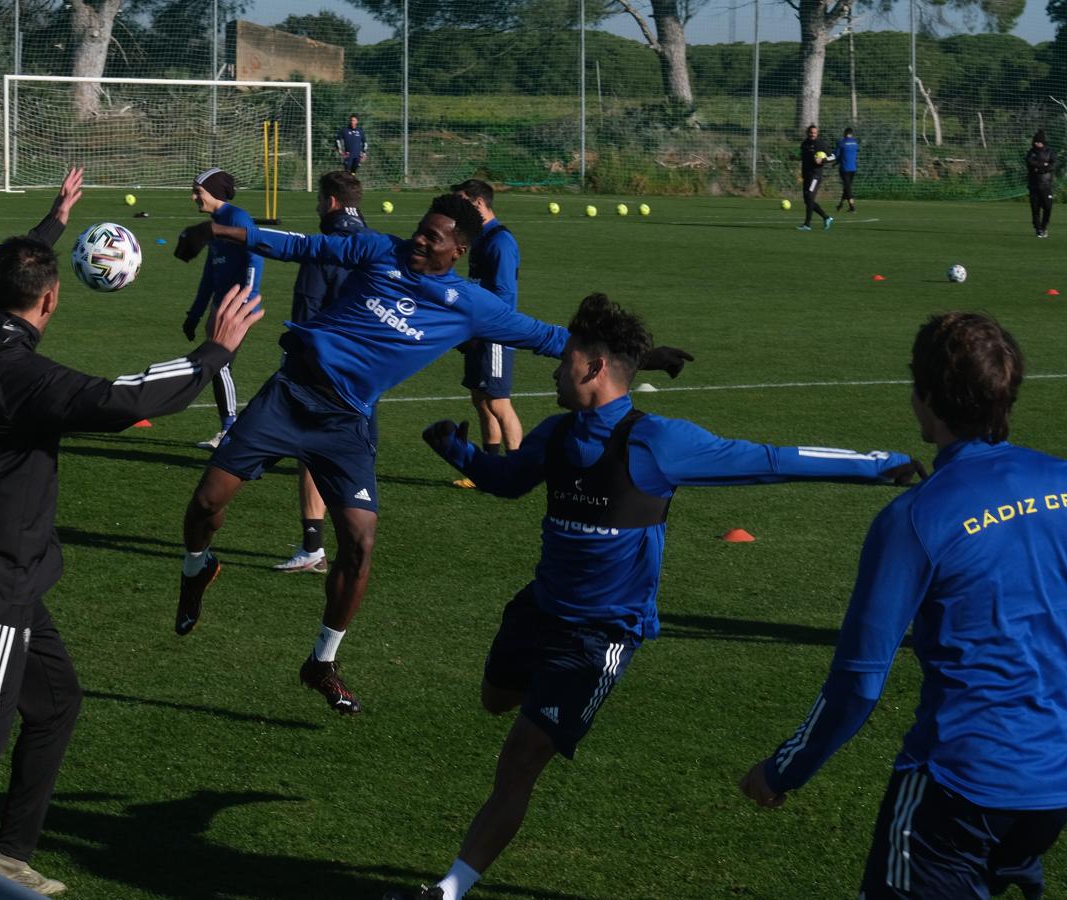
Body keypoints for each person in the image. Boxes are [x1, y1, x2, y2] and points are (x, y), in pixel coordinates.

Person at [384, 293, 924, 900]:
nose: (554, 370)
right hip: (538, 609)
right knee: (493, 702)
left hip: (600, 634)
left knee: (520, 757)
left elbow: (769, 461)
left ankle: (449, 888)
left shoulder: (657, 443)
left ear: (590, 367)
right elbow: (509, 482)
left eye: (563, 361)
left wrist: (876, 464)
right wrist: (456, 451)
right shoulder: (556, 434)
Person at [171, 195, 694, 715]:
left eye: (433, 237)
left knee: (360, 543)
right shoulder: (380, 251)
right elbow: (302, 245)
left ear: (459, 250)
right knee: (206, 504)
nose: (419, 240)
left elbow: (553, 338)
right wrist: (217, 232)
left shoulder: (471, 306)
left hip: (345, 425)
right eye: (420, 230)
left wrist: (644, 358)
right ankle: (197, 567)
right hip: (289, 396)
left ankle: (322, 662)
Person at [0, 169, 264, 900]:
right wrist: (213, 356)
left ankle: (9, 857)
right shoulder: (22, 377)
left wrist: (53, 224)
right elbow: (120, 399)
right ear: (52, 298)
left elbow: (10, 270)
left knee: (57, 703)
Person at [740, 312, 1067, 899]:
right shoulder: (1065, 482)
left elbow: (859, 682)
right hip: (1054, 786)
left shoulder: (915, 518)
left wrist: (785, 767)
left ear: (923, 397)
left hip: (958, 785)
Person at [274, 169, 368, 575]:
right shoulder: (377, 245)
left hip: (322, 371)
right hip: (367, 371)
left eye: (318, 200)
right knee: (354, 457)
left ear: (330, 202)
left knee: (311, 454)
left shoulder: (325, 248)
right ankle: (355, 549)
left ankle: (313, 545)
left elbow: (307, 313)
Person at [181, 168, 263, 449]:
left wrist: (245, 299)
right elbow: (209, 276)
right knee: (219, 366)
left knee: (220, 364)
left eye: (198, 192)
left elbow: (256, 257)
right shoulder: (215, 223)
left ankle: (230, 431)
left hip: (237, 308)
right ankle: (229, 431)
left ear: (213, 192)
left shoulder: (237, 218)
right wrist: (194, 314)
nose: (194, 197)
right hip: (222, 307)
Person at [449, 179, 522, 490]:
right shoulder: (481, 238)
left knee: (499, 403)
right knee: (480, 399)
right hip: (479, 329)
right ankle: (485, 470)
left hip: (495, 331)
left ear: (478, 204)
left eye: (462, 204)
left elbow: (504, 293)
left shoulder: (501, 241)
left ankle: (519, 469)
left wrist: (487, 326)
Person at [798, 125, 834, 232]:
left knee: (809, 196)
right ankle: (826, 217)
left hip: (815, 176)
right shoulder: (804, 144)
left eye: (814, 132)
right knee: (807, 200)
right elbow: (803, 157)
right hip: (806, 175)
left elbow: (833, 156)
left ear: (817, 133)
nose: (812, 134)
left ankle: (807, 225)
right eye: (810, 132)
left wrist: (822, 160)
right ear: (807, 133)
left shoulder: (821, 144)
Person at [1026, 130, 1055, 238]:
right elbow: (1030, 162)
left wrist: (1040, 167)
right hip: (1034, 185)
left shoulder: (1050, 152)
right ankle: (1038, 229)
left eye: (1039, 142)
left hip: (1046, 185)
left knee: (1048, 208)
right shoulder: (1031, 152)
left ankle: (1044, 227)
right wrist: (1043, 165)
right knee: (1035, 209)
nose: (1037, 143)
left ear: (1043, 142)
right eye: (1035, 142)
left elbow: (1053, 165)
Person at [836, 127, 859, 213]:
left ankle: (852, 207)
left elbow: (837, 155)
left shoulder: (841, 142)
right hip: (853, 168)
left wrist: (834, 162)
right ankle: (841, 204)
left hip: (844, 169)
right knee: (847, 187)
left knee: (848, 188)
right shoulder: (855, 143)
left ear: (845, 133)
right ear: (852, 134)